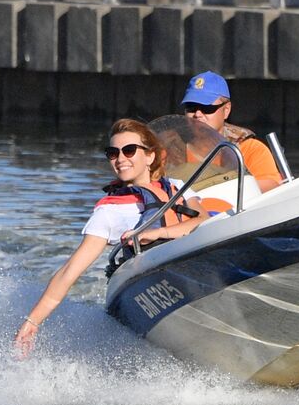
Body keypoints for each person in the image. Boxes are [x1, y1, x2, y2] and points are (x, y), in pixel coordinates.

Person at [13, 119, 204, 357]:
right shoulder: (109, 212)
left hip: (196, 270)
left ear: (150, 157)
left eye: (129, 150)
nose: (120, 158)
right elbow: (70, 270)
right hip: (153, 284)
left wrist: (157, 233)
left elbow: (203, 222)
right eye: (113, 153)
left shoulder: (178, 187)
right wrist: (33, 321)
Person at [180, 71, 283, 192]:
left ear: (226, 110)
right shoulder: (168, 147)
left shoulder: (249, 149)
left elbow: (272, 185)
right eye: (191, 107)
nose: (197, 114)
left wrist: (217, 188)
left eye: (207, 108)